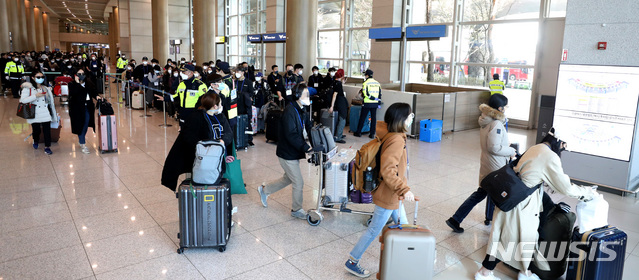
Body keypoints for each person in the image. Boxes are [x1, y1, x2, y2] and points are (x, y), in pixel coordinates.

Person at [474, 128, 599, 280]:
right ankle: (484, 273)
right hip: (521, 206)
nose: (564, 149)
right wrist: (588, 192)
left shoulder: (536, 148)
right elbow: (565, 187)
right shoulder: (550, 156)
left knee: (522, 237)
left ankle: (524, 272)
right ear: (558, 142)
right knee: (509, 239)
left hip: (515, 198)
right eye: (564, 145)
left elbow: (534, 179)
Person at [344, 102, 416, 278]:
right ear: (401, 119)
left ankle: (409, 259)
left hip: (392, 194)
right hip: (389, 194)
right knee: (374, 230)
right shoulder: (397, 140)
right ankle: (352, 261)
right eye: (410, 116)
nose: (412, 118)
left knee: (405, 228)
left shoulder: (392, 135)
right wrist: (404, 189)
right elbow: (387, 169)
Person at [445, 94, 516, 233]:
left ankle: (464, 219)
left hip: (488, 163)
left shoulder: (486, 120)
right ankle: (457, 219)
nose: (507, 108)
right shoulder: (496, 124)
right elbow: (494, 147)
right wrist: (511, 150)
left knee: (487, 191)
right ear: (500, 108)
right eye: (506, 106)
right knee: (493, 193)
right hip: (495, 166)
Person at [257, 84, 318, 219]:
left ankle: (264, 190)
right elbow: (291, 134)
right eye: (306, 94)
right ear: (297, 95)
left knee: (288, 178)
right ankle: (296, 210)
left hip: (293, 151)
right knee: (298, 182)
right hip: (287, 153)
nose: (308, 97)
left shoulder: (302, 109)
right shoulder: (290, 111)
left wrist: (317, 143)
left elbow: (308, 127)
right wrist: (306, 147)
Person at [161, 92, 235, 191]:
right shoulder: (196, 117)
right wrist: (205, 146)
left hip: (217, 158)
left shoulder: (220, 117)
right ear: (214, 106)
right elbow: (188, 137)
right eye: (220, 104)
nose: (221, 106)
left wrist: (223, 141)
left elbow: (229, 133)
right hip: (201, 159)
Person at [20, 71, 57, 155]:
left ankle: (47, 146)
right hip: (34, 113)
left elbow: (51, 102)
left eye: (42, 77)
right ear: (33, 78)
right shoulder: (28, 89)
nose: (40, 79)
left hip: (45, 112)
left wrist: (53, 113)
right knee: (36, 130)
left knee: (47, 131)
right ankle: (35, 140)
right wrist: (35, 96)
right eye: (38, 77)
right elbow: (23, 100)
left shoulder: (46, 88)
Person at [68, 69, 101, 154]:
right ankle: (82, 143)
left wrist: (97, 96)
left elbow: (93, 91)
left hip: (88, 107)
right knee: (82, 125)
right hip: (78, 109)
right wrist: (78, 83)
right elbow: (74, 93)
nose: (81, 75)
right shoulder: (72, 84)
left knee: (86, 125)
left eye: (83, 73)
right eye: (79, 74)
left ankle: (81, 139)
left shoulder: (88, 83)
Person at [354, 69, 381, 138]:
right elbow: (380, 94)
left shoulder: (365, 83)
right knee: (373, 119)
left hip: (367, 103)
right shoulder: (377, 83)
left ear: (367, 75)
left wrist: (371, 98)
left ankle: (358, 132)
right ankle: (372, 134)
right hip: (375, 104)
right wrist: (377, 101)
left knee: (362, 117)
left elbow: (365, 94)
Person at [234, 66, 255, 146]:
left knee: (247, 122)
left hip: (245, 105)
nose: (237, 74)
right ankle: (237, 138)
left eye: (238, 72)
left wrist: (244, 95)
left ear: (243, 73)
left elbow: (251, 93)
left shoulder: (248, 82)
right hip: (236, 105)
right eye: (236, 72)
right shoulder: (235, 82)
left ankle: (249, 139)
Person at [328, 69, 349, 144]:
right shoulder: (338, 84)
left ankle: (338, 134)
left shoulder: (334, 82)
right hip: (340, 103)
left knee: (339, 119)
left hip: (338, 102)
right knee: (342, 119)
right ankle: (338, 137)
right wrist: (331, 106)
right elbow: (335, 95)